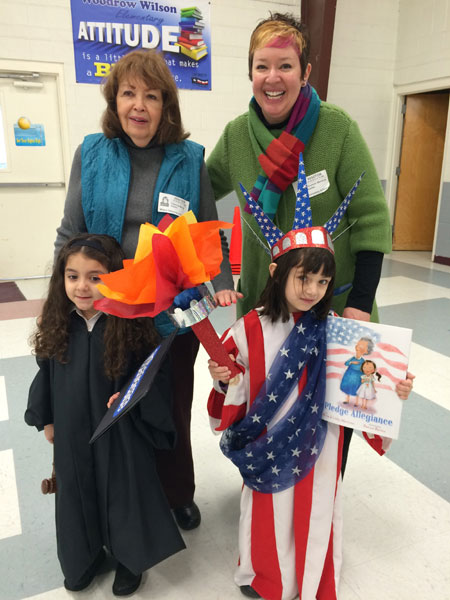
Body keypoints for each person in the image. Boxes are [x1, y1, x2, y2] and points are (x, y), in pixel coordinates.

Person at [54, 49, 240, 529]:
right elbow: (69, 231)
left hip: (172, 311)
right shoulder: (92, 153)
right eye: (129, 93)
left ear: (166, 106)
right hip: (109, 307)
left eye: (151, 96)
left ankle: (176, 491)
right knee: (114, 402)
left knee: (173, 402)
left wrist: (221, 286)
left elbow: (207, 233)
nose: (139, 105)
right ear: (115, 101)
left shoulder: (189, 157)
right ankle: (122, 500)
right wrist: (57, 301)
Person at [206, 168, 413, 600]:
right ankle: (267, 577)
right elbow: (230, 385)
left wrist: (395, 390)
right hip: (268, 442)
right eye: (304, 278)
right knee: (270, 511)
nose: (314, 290)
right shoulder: (249, 329)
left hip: (321, 444)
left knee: (318, 510)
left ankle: (311, 578)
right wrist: (224, 380)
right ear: (279, 272)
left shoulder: (339, 332)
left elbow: (366, 386)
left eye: (323, 281)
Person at [206, 13, 392, 473]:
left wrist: (361, 304)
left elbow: (371, 219)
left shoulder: (337, 129)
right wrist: (218, 274)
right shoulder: (235, 137)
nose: (273, 78)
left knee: (330, 421)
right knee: (266, 413)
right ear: (249, 72)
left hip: (333, 305)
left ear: (306, 71)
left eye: (285, 65)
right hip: (265, 311)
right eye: (262, 66)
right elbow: (199, 196)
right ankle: (268, 499)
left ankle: (321, 505)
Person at [25, 234, 185, 596]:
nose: (82, 286)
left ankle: (129, 559)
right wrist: (47, 418)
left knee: (122, 491)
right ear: (61, 279)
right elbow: (45, 373)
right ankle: (84, 556)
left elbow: (153, 373)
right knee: (76, 491)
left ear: (114, 277)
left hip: (120, 431)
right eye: (72, 276)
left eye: (95, 277)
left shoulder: (129, 324)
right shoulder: (59, 324)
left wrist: (131, 397)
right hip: (71, 431)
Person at [340, 336, 373, 404]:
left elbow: (364, 369)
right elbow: (346, 363)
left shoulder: (363, 361)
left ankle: (356, 402)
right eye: (358, 344)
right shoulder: (352, 358)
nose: (358, 346)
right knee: (348, 387)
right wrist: (351, 362)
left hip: (357, 376)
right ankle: (347, 399)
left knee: (356, 389)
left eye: (361, 345)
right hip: (349, 375)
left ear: (366, 351)